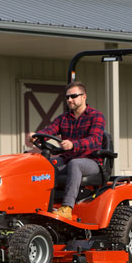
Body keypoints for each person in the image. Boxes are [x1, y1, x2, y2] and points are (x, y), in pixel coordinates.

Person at [28, 81, 105, 220]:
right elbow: (49, 130)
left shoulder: (96, 116)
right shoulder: (63, 118)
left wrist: (73, 145)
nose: (70, 100)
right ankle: (40, 204)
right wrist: (36, 136)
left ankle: (67, 208)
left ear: (84, 97)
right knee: (43, 165)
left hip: (91, 162)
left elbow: (94, 140)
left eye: (74, 96)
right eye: (68, 97)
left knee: (75, 164)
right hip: (67, 159)